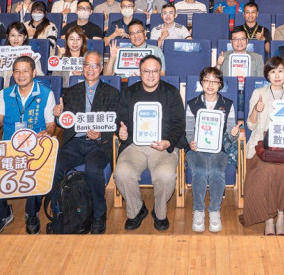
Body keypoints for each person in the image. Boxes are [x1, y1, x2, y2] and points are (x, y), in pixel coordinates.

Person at [0, 56, 56, 234]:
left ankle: (31, 214)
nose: (21, 75)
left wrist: (47, 133)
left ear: (34, 72)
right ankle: (2, 214)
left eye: (25, 71)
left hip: (35, 145)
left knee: (37, 165)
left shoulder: (46, 93)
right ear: (12, 73)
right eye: (17, 71)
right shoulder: (5, 94)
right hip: (9, 146)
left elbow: (51, 125)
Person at [114, 55, 185, 231]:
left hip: (162, 145)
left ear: (161, 72)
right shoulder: (129, 93)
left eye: (155, 71)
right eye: (146, 71)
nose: (151, 75)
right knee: (122, 173)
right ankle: (136, 210)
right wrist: (120, 131)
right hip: (134, 146)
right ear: (140, 72)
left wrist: (168, 142)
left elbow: (179, 124)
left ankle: (160, 213)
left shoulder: (171, 93)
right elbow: (119, 119)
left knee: (166, 175)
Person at [51, 51, 120, 234]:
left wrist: (100, 134)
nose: (91, 69)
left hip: (98, 144)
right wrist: (58, 115)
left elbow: (115, 123)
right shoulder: (71, 92)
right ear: (82, 68)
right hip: (75, 142)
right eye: (87, 65)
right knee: (55, 167)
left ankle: (99, 214)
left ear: (101, 68)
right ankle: (59, 211)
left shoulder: (112, 93)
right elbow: (64, 122)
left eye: (95, 65)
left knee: (93, 169)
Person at [240, 56, 284, 235]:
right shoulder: (259, 93)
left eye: (280, 71)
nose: (277, 75)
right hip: (261, 147)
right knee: (265, 171)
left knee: (283, 171)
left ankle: (280, 217)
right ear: (267, 75)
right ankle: (267, 218)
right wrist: (255, 111)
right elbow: (250, 126)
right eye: (273, 71)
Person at [182, 66, 239, 233]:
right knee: (199, 170)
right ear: (201, 83)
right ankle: (198, 210)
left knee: (215, 171)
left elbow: (230, 134)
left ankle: (214, 210)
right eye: (207, 80)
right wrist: (191, 142)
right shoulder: (193, 104)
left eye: (215, 81)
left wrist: (234, 134)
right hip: (197, 149)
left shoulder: (227, 104)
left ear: (220, 84)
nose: (210, 85)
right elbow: (189, 130)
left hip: (219, 148)